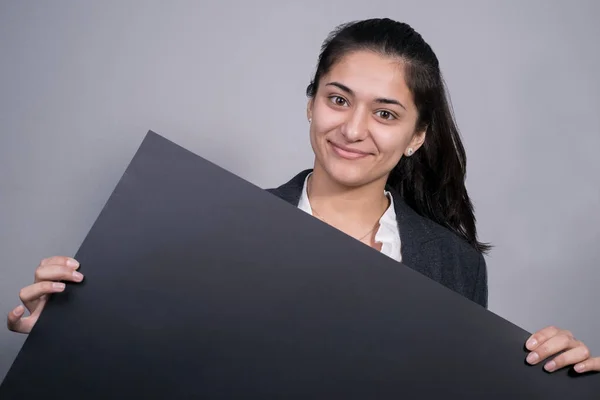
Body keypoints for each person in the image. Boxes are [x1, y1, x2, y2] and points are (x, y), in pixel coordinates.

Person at [7, 18, 599, 374]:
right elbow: (174, 367)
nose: (352, 128)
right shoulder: (215, 229)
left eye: (385, 113)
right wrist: (71, 337)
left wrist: (553, 378)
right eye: (338, 100)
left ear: (417, 137)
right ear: (311, 101)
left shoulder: (456, 265)